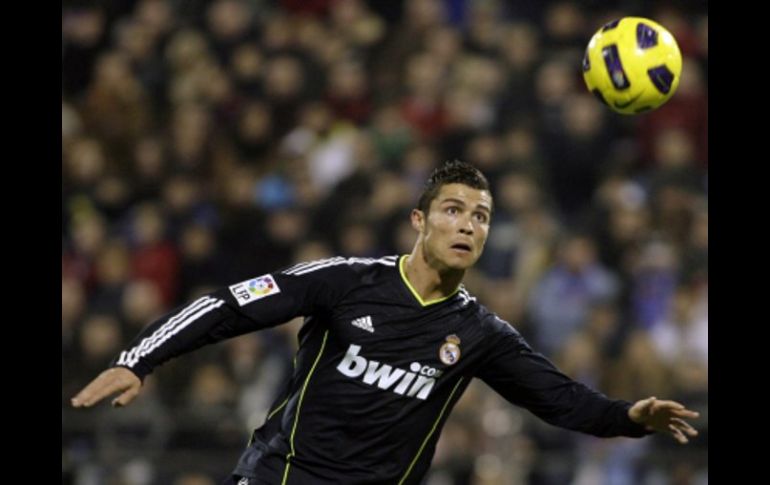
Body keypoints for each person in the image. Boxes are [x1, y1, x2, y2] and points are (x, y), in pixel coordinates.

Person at [72, 160, 699, 485]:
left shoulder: (480, 333)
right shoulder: (347, 282)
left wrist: (628, 417)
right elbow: (229, 305)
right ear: (418, 222)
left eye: (480, 217)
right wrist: (139, 359)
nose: (467, 226)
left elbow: (561, 400)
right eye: (453, 211)